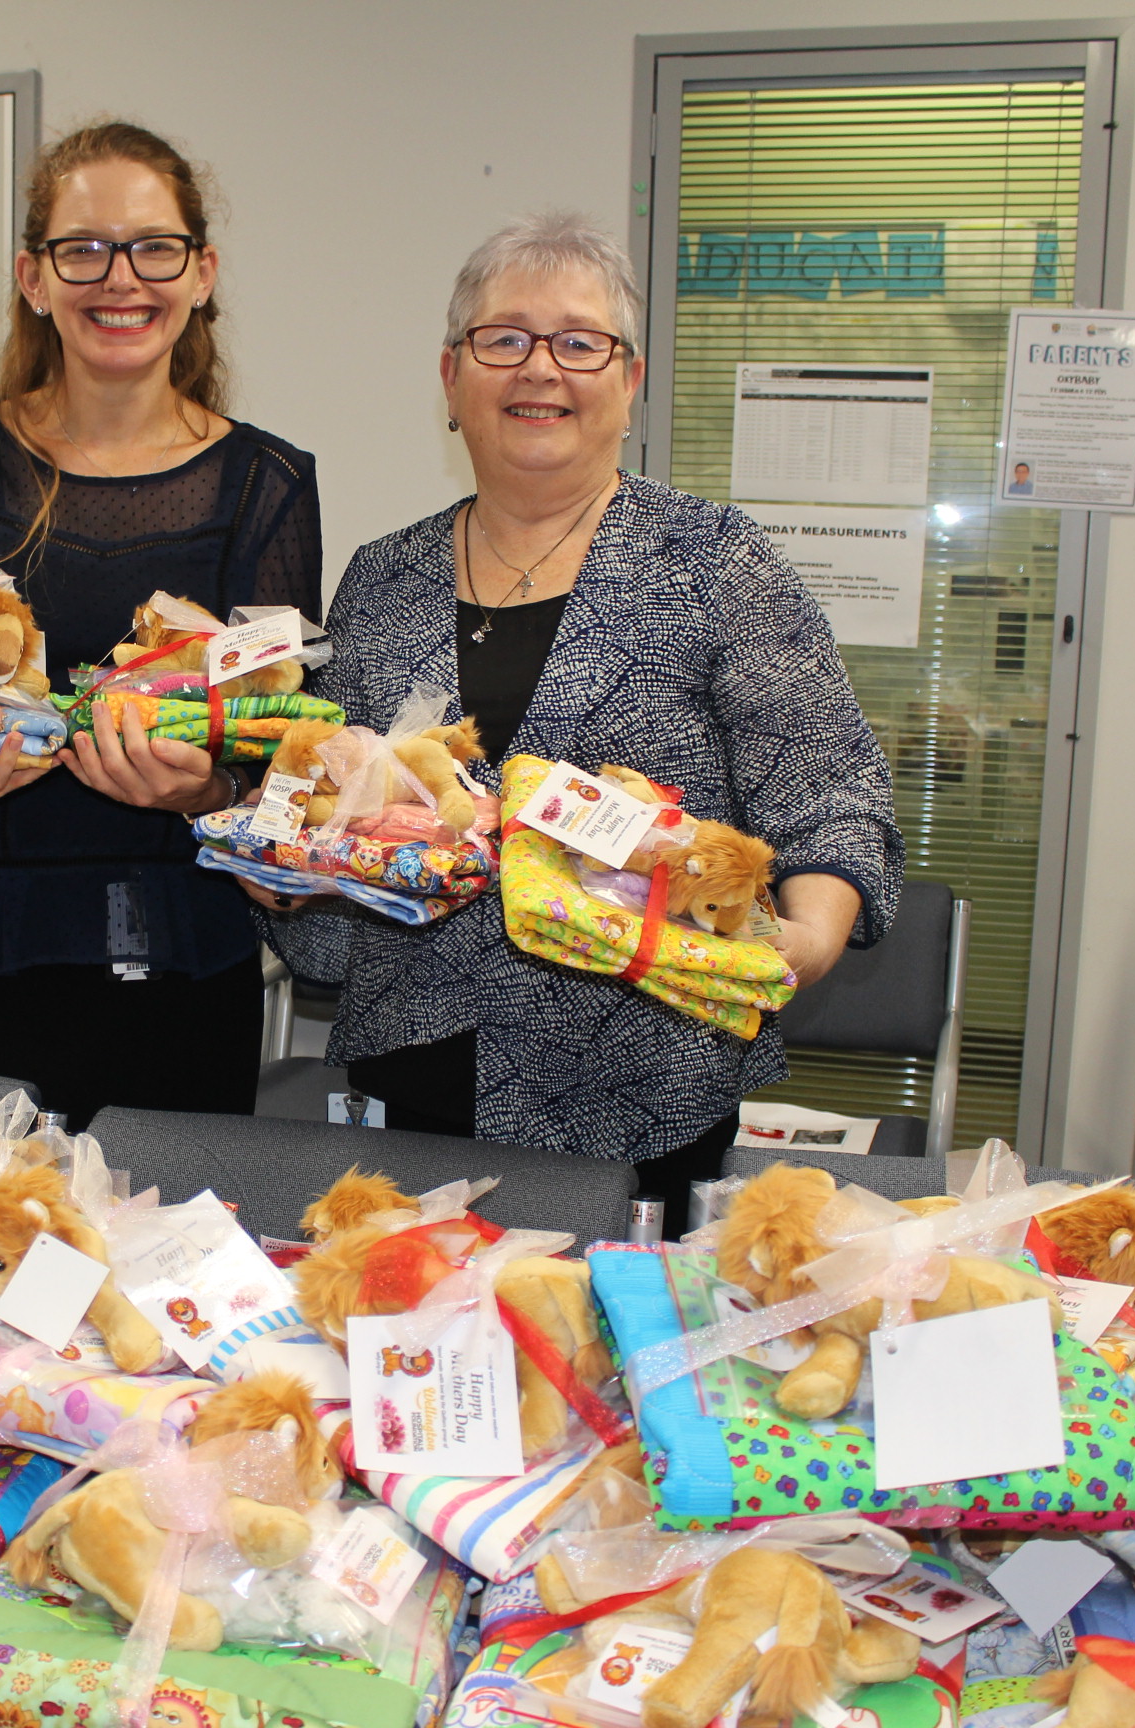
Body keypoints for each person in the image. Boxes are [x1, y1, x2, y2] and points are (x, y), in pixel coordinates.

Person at [252, 212, 901, 1231]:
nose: (539, 370)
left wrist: (801, 944)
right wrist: (290, 866)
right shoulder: (383, 578)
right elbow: (338, 802)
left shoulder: (715, 561)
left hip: (646, 1089)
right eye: (503, 339)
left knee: (620, 1372)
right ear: (452, 378)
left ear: (629, 381)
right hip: (416, 1077)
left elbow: (831, 794)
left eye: (579, 342)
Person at [0, 121, 321, 1129]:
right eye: (83, 248)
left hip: (183, 969)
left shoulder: (267, 485)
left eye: (154, 247)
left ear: (201, 273)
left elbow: (286, 749)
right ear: (35, 275)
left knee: (170, 1272)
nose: (121, 279)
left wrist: (214, 788)